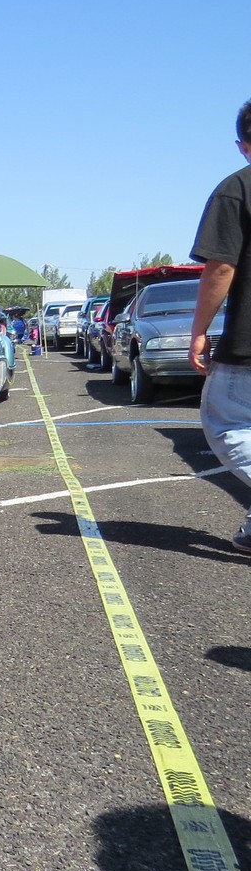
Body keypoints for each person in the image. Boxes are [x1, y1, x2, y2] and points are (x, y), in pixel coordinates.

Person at [189, 99, 251, 555]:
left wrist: (199, 330)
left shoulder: (237, 190)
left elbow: (221, 268)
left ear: (243, 145)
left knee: (228, 427)